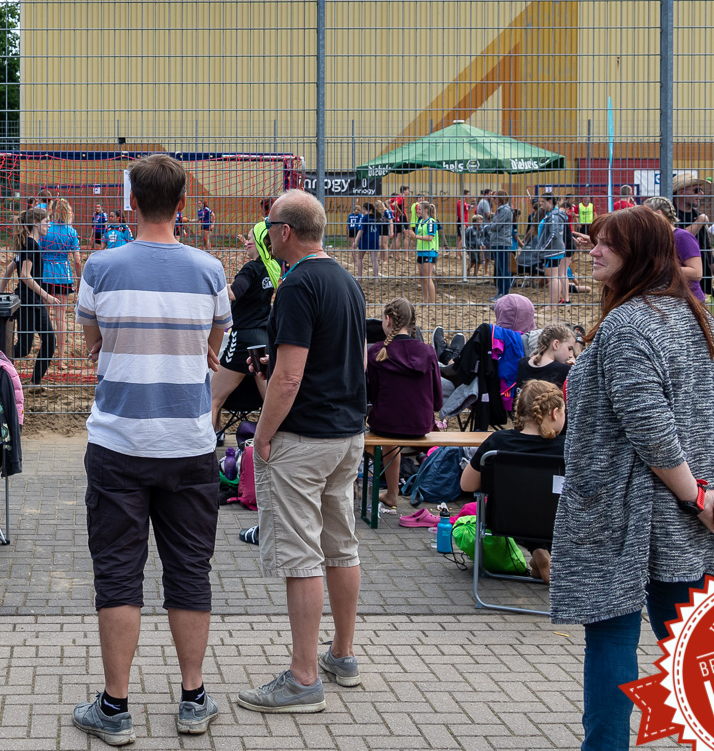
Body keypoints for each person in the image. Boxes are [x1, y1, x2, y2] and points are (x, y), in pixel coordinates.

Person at [548, 204, 714, 751]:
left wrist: (700, 496)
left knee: (613, 637)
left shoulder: (627, 327)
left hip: (629, 512)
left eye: (606, 244)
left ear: (638, 253)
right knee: (693, 643)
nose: (592, 251)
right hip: (692, 515)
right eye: (592, 242)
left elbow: (651, 430)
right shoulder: (704, 324)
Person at [71, 154, 231, 745]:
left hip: (118, 440)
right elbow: (215, 347)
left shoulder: (101, 265)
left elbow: (90, 341)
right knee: (190, 570)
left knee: (118, 572)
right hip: (188, 442)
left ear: (130, 204)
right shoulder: (211, 269)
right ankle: (192, 698)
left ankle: (115, 707)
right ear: (183, 205)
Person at [237, 189, 367, 716]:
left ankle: (303, 676)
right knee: (342, 545)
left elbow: (288, 377)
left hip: (305, 437)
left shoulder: (296, 285)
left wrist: (263, 434)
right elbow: (355, 358)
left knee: (302, 556)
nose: (266, 234)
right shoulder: (344, 278)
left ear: (284, 232)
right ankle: (343, 655)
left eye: (270, 226)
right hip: (346, 433)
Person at [458, 379, 567, 583]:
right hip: (556, 521)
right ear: (554, 413)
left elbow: (467, 485)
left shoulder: (498, 442)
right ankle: (542, 553)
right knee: (545, 507)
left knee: (523, 506)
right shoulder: (567, 448)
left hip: (504, 519)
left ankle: (539, 555)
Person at [365, 297, 441, 522]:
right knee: (391, 435)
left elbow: (372, 394)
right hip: (420, 423)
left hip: (386, 422)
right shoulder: (428, 352)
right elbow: (437, 398)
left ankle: (391, 492)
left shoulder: (378, 351)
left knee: (387, 435)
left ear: (387, 320)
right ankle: (392, 493)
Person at [210, 247, 275, 432]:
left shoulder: (251, 268)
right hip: (263, 338)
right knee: (270, 400)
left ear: (261, 243)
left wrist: (212, 286)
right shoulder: (272, 266)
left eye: (250, 239)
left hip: (244, 339)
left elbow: (234, 293)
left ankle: (209, 448)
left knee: (213, 399)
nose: (246, 242)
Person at [0, 208, 54, 387]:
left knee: (50, 340)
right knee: (23, 348)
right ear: (36, 223)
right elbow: (24, 275)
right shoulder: (30, 244)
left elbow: (9, 269)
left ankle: (35, 382)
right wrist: (48, 296)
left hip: (33, 301)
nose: (48, 225)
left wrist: (0, 293)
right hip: (28, 302)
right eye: (46, 221)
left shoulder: (28, 244)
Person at [643, 195, 709, 302]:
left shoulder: (682, 237)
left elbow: (696, 273)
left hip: (689, 300)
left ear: (659, 214)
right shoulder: (654, 239)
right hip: (668, 299)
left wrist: (658, 269)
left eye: (646, 215)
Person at [40, 198, 81, 341]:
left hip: (45, 275)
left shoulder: (45, 228)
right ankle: (61, 359)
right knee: (61, 317)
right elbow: (77, 261)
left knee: (45, 316)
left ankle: (46, 351)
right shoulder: (71, 232)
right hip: (64, 275)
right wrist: (79, 279)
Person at [516, 324, 577, 394]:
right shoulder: (564, 370)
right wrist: (574, 370)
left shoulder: (522, 363)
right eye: (569, 348)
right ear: (556, 344)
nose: (570, 355)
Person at [531, 195, 568, 306]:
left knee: (553, 278)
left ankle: (552, 305)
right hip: (554, 251)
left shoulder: (553, 216)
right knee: (554, 277)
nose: (541, 205)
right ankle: (553, 304)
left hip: (552, 252)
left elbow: (553, 235)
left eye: (543, 202)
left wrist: (543, 248)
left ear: (550, 201)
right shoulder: (554, 215)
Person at [407, 202, 440, 304]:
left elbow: (430, 238)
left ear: (426, 210)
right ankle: (425, 300)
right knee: (422, 277)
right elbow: (417, 236)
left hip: (429, 251)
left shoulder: (431, 222)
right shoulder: (420, 222)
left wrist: (415, 236)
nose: (418, 211)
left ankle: (432, 301)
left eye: (420, 209)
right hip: (421, 252)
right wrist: (409, 235)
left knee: (427, 276)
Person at [488, 191, 518, 299]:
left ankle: (504, 293)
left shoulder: (505, 210)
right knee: (499, 268)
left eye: (495, 197)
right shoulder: (500, 210)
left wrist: (490, 225)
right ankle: (500, 292)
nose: (493, 199)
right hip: (496, 242)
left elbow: (496, 226)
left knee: (503, 268)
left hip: (502, 242)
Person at [354, 202, 382, 279]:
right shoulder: (376, 217)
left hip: (365, 239)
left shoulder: (365, 217)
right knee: (374, 259)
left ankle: (360, 277)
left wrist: (356, 241)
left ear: (364, 209)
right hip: (375, 239)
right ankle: (376, 279)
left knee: (359, 258)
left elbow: (361, 230)